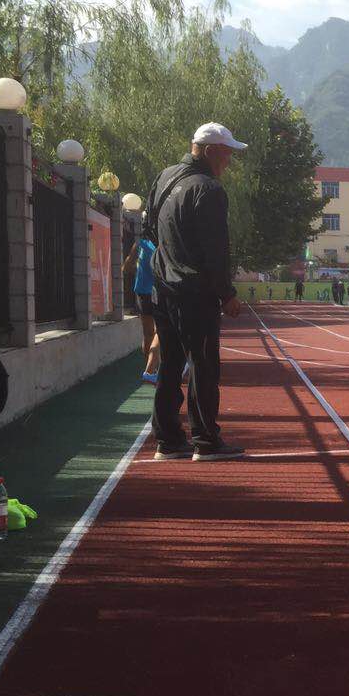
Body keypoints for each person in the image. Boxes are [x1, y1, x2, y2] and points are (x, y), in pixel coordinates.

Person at [143, 122, 248, 462]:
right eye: (227, 153)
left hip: (163, 287)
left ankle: (168, 440)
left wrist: (170, 257)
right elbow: (215, 250)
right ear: (209, 151)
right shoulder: (210, 190)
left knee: (171, 365)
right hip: (195, 290)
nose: (229, 161)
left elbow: (148, 228)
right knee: (203, 364)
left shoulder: (164, 179)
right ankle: (206, 440)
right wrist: (226, 293)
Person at [121, 229, 161, 384]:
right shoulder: (163, 243)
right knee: (161, 331)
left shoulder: (139, 244)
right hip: (158, 291)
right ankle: (151, 369)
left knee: (148, 333)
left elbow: (126, 267)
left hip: (142, 292)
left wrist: (140, 270)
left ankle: (148, 370)